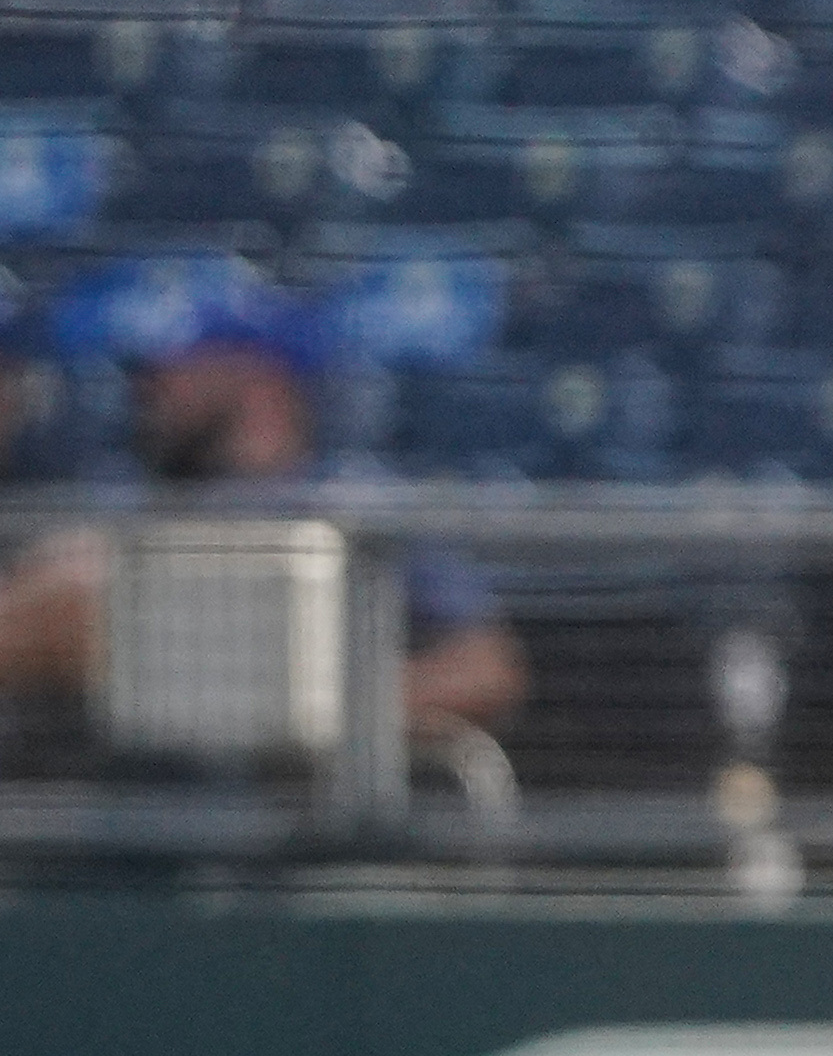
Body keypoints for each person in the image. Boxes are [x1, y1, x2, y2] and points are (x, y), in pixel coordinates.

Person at [0, 274, 521, 747]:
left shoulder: (355, 504)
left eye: (178, 364)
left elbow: (488, 670)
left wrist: (319, 715)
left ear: (258, 377)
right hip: (136, 791)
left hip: (305, 802)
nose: (150, 383)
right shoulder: (120, 497)